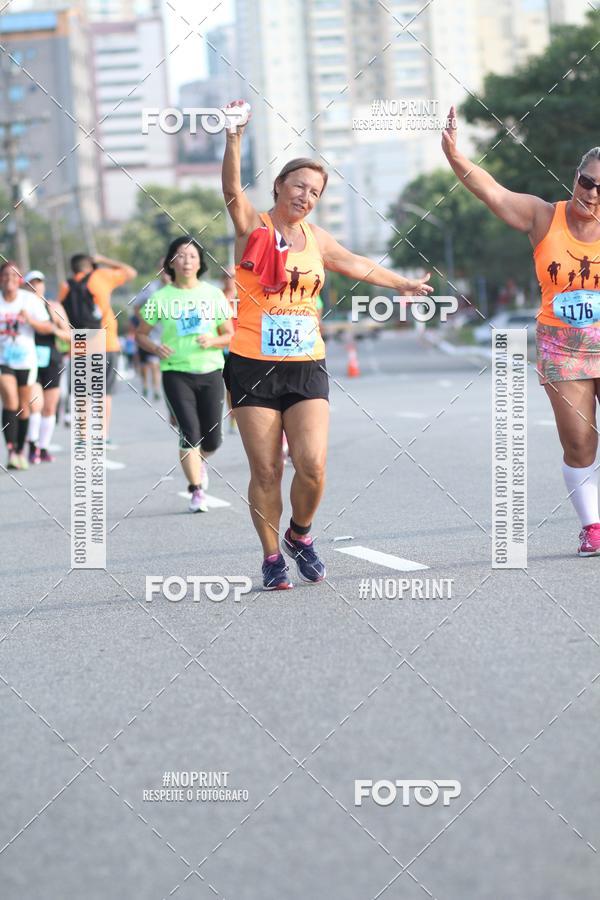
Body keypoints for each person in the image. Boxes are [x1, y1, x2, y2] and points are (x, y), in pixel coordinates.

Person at [221, 99, 432, 589]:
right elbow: (231, 190)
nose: (306, 196)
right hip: (252, 364)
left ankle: (300, 534)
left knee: (312, 465)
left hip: (305, 364)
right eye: (299, 185)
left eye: (314, 191)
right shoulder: (253, 227)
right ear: (279, 185)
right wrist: (234, 136)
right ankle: (271, 557)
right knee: (267, 470)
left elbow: (357, 263)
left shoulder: (317, 238)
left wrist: (402, 283)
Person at [442, 105, 600, 557]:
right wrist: (455, 156)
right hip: (563, 348)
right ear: (575, 178)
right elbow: (493, 191)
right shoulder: (543, 216)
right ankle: (592, 526)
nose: (591, 192)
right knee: (579, 441)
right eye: (586, 181)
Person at [136, 236, 233, 512]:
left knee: (212, 439)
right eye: (180, 255)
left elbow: (229, 334)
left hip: (210, 370)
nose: (187, 261)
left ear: (200, 263)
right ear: (171, 262)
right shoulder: (160, 298)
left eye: (192, 256)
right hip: (175, 372)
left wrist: (212, 341)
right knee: (189, 432)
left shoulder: (213, 294)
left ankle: (199, 462)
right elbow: (140, 334)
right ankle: (196, 491)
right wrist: (155, 347)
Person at [57, 253, 137, 441]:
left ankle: (82, 437)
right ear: (90, 266)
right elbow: (130, 272)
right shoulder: (100, 276)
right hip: (106, 341)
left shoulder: (65, 286)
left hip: (80, 343)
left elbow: (60, 313)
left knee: (82, 392)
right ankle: (101, 435)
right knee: (103, 392)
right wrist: (103, 260)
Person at [0, 261, 56, 469]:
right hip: (3, 360)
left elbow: (48, 327)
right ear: (0, 278)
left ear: (20, 280)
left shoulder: (29, 300)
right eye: (6, 275)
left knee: (23, 407)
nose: (10, 279)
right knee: (10, 401)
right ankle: (11, 450)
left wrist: (30, 320)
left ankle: (20, 450)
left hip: (26, 360)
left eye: (14, 275)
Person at [24, 271, 71, 463]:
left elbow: (70, 335)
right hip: (28, 360)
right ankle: (32, 446)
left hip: (51, 360)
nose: (35, 287)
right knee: (35, 404)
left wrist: (54, 330)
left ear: (43, 285)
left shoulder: (54, 307)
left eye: (38, 282)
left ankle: (43, 448)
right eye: (31, 283)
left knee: (50, 407)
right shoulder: (22, 307)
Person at [134, 262, 171, 401]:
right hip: (151, 333)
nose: (165, 272)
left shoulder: (180, 287)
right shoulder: (150, 288)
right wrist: (146, 322)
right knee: (148, 364)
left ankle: (157, 388)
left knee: (156, 363)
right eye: (162, 268)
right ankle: (149, 386)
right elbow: (136, 306)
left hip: (169, 333)